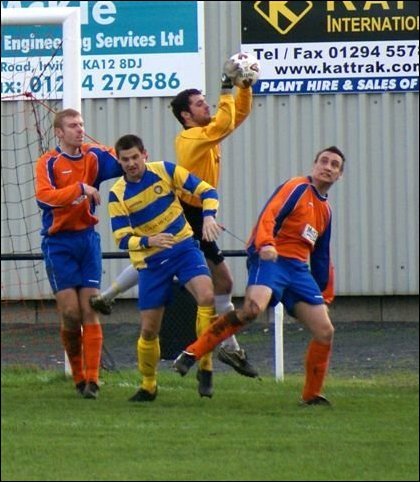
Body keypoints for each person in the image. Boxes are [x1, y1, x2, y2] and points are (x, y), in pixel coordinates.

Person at [90, 57, 259, 382]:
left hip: (199, 212)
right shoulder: (191, 139)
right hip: (186, 214)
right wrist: (227, 85)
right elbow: (226, 121)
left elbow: (237, 116)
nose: (206, 106)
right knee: (213, 282)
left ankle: (109, 296)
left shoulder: (207, 133)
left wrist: (245, 88)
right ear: (186, 115)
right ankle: (224, 348)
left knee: (211, 281)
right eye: (199, 104)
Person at [173, 146, 345, 406]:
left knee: (325, 331)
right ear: (314, 165)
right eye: (324, 161)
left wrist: (323, 293)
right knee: (253, 309)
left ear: (339, 176)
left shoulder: (326, 211)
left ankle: (311, 395)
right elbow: (270, 214)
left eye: (335, 165)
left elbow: (321, 254)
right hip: (271, 259)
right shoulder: (297, 187)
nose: (328, 167)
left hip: (298, 270)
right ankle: (192, 352)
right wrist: (265, 243)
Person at [108, 134, 221, 401]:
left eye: (135, 157)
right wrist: (150, 240)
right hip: (151, 261)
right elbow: (122, 238)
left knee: (206, 297)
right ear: (120, 162)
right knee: (149, 329)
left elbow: (207, 191)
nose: (132, 163)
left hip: (183, 248)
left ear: (145, 154)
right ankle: (149, 385)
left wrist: (208, 217)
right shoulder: (117, 193)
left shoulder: (165, 170)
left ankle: (205, 366)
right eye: (125, 160)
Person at [35, 108, 124, 399]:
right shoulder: (48, 162)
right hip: (58, 243)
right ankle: (78, 375)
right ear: (59, 132)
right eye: (73, 125)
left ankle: (93, 381)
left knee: (89, 308)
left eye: (82, 124)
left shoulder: (93, 157)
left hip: (87, 240)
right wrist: (81, 188)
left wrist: (123, 151)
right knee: (70, 313)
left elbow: (125, 162)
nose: (79, 129)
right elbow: (44, 197)